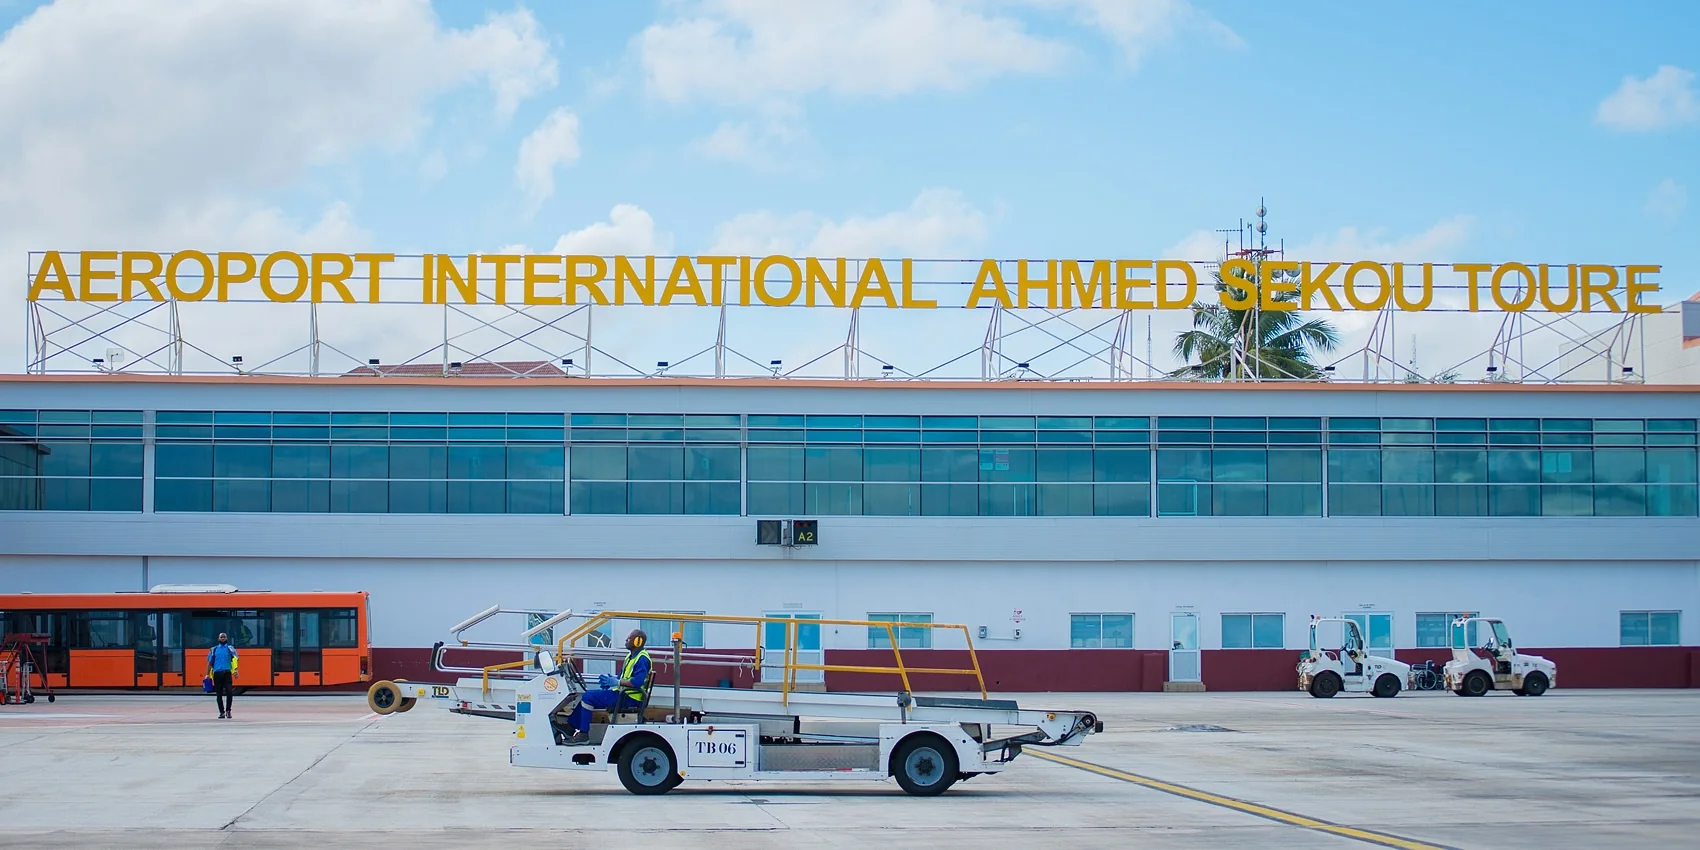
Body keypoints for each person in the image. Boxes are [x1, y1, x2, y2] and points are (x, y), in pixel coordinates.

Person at [563, 629, 651, 745]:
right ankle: (570, 728)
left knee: (588, 697)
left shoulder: (642, 659)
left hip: (629, 699)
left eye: (629, 638)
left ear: (637, 642)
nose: (626, 640)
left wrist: (616, 682)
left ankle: (583, 735)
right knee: (588, 696)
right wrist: (611, 680)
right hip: (624, 695)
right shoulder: (631, 657)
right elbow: (622, 677)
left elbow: (638, 682)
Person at [207, 632, 240, 719]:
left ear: (226, 638)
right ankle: (221, 712)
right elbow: (210, 663)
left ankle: (228, 711)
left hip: (227, 673)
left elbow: (235, 660)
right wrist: (207, 674)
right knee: (219, 694)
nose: (222, 638)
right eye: (221, 637)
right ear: (218, 639)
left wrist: (235, 671)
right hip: (217, 674)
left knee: (229, 692)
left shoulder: (230, 649)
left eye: (224, 637)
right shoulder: (214, 650)